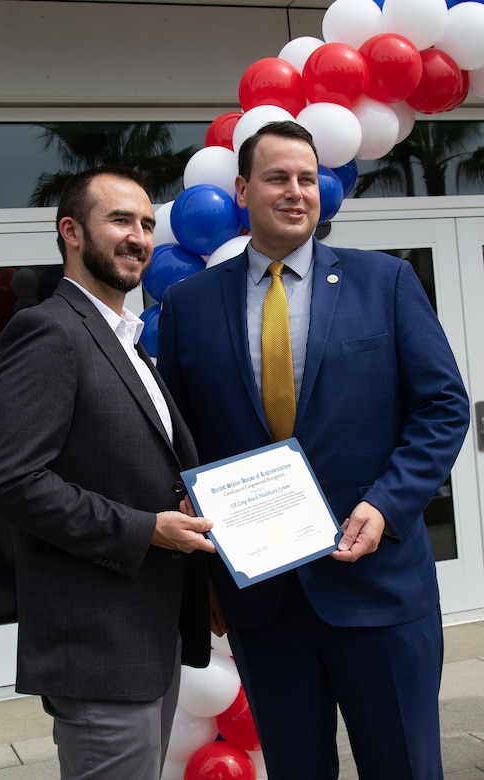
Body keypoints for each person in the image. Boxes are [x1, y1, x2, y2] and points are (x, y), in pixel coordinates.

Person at [157, 122, 470, 779]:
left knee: (406, 767)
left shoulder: (383, 283)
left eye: (306, 179)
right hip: (264, 601)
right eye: (277, 178)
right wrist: (203, 570)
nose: (295, 192)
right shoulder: (188, 306)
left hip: (378, 586)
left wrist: (386, 503)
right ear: (243, 190)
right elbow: (180, 441)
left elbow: (443, 408)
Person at [0, 165, 215, 780]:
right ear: (71, 232)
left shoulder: (127, 341)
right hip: (100, 650)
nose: (138, 236)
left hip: (150, 643)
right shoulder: (48, 331)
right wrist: (144, 530)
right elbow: (8, 480)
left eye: (146, 224)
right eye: (119, 220)